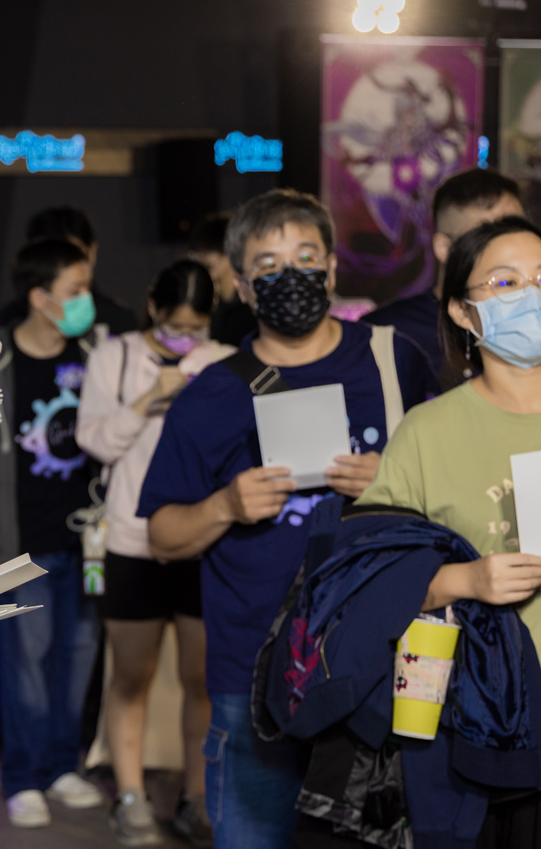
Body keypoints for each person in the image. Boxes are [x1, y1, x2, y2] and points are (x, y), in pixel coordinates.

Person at [137, 189, 436, 849]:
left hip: (380, 664)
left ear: (331, 269)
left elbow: (450, 496)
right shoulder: (212, 394)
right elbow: (161, 536)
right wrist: (224, 505)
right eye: (268, 266)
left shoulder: (395, 361)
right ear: (242, 287)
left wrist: (391, 482)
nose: (291, 276)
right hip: (253, 675)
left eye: (305, 258)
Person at [355, 215, 541, 845]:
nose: (530, 295)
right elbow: (366, 578)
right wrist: (466, 579)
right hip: (473, 725)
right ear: (463, 311)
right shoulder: (427, 432)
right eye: (506, 282)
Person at [0, 238, 104, 828]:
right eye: (75, 290)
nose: (87, 300)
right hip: (21, 547)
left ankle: (63, 765)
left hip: (88, 546)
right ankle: (24, 776)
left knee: (78, 662)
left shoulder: (95, 356)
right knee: (25, 669)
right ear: (40, 297)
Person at [76, 259, 231, 846]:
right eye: (174, 326)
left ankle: (197, 797)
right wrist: (148, 399)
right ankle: (131, 796)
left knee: (201, 679)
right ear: (153, 308)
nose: (183, 337)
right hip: (130, 541)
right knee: (131, 676)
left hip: (199, 540)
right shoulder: (114, 357)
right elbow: (95, 441)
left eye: (195, 328)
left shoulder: (221, 362)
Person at [363, 168, 524, 382]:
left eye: (517, 231)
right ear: (444, 248)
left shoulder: (530, 318)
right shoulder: (387, 332)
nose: (507, 247)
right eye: (485, 237)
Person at [0, 206, 138, 334]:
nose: (64, 265)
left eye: (73, 254)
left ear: (92, 252)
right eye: (49, 256)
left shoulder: (119, 321)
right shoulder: (5, 325)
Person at [187, 213, 257, 347]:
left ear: (230, 253)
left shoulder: (250, 302)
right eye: (197, 251)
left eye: (206, 250)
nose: (199, 257)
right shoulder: (205, 299)